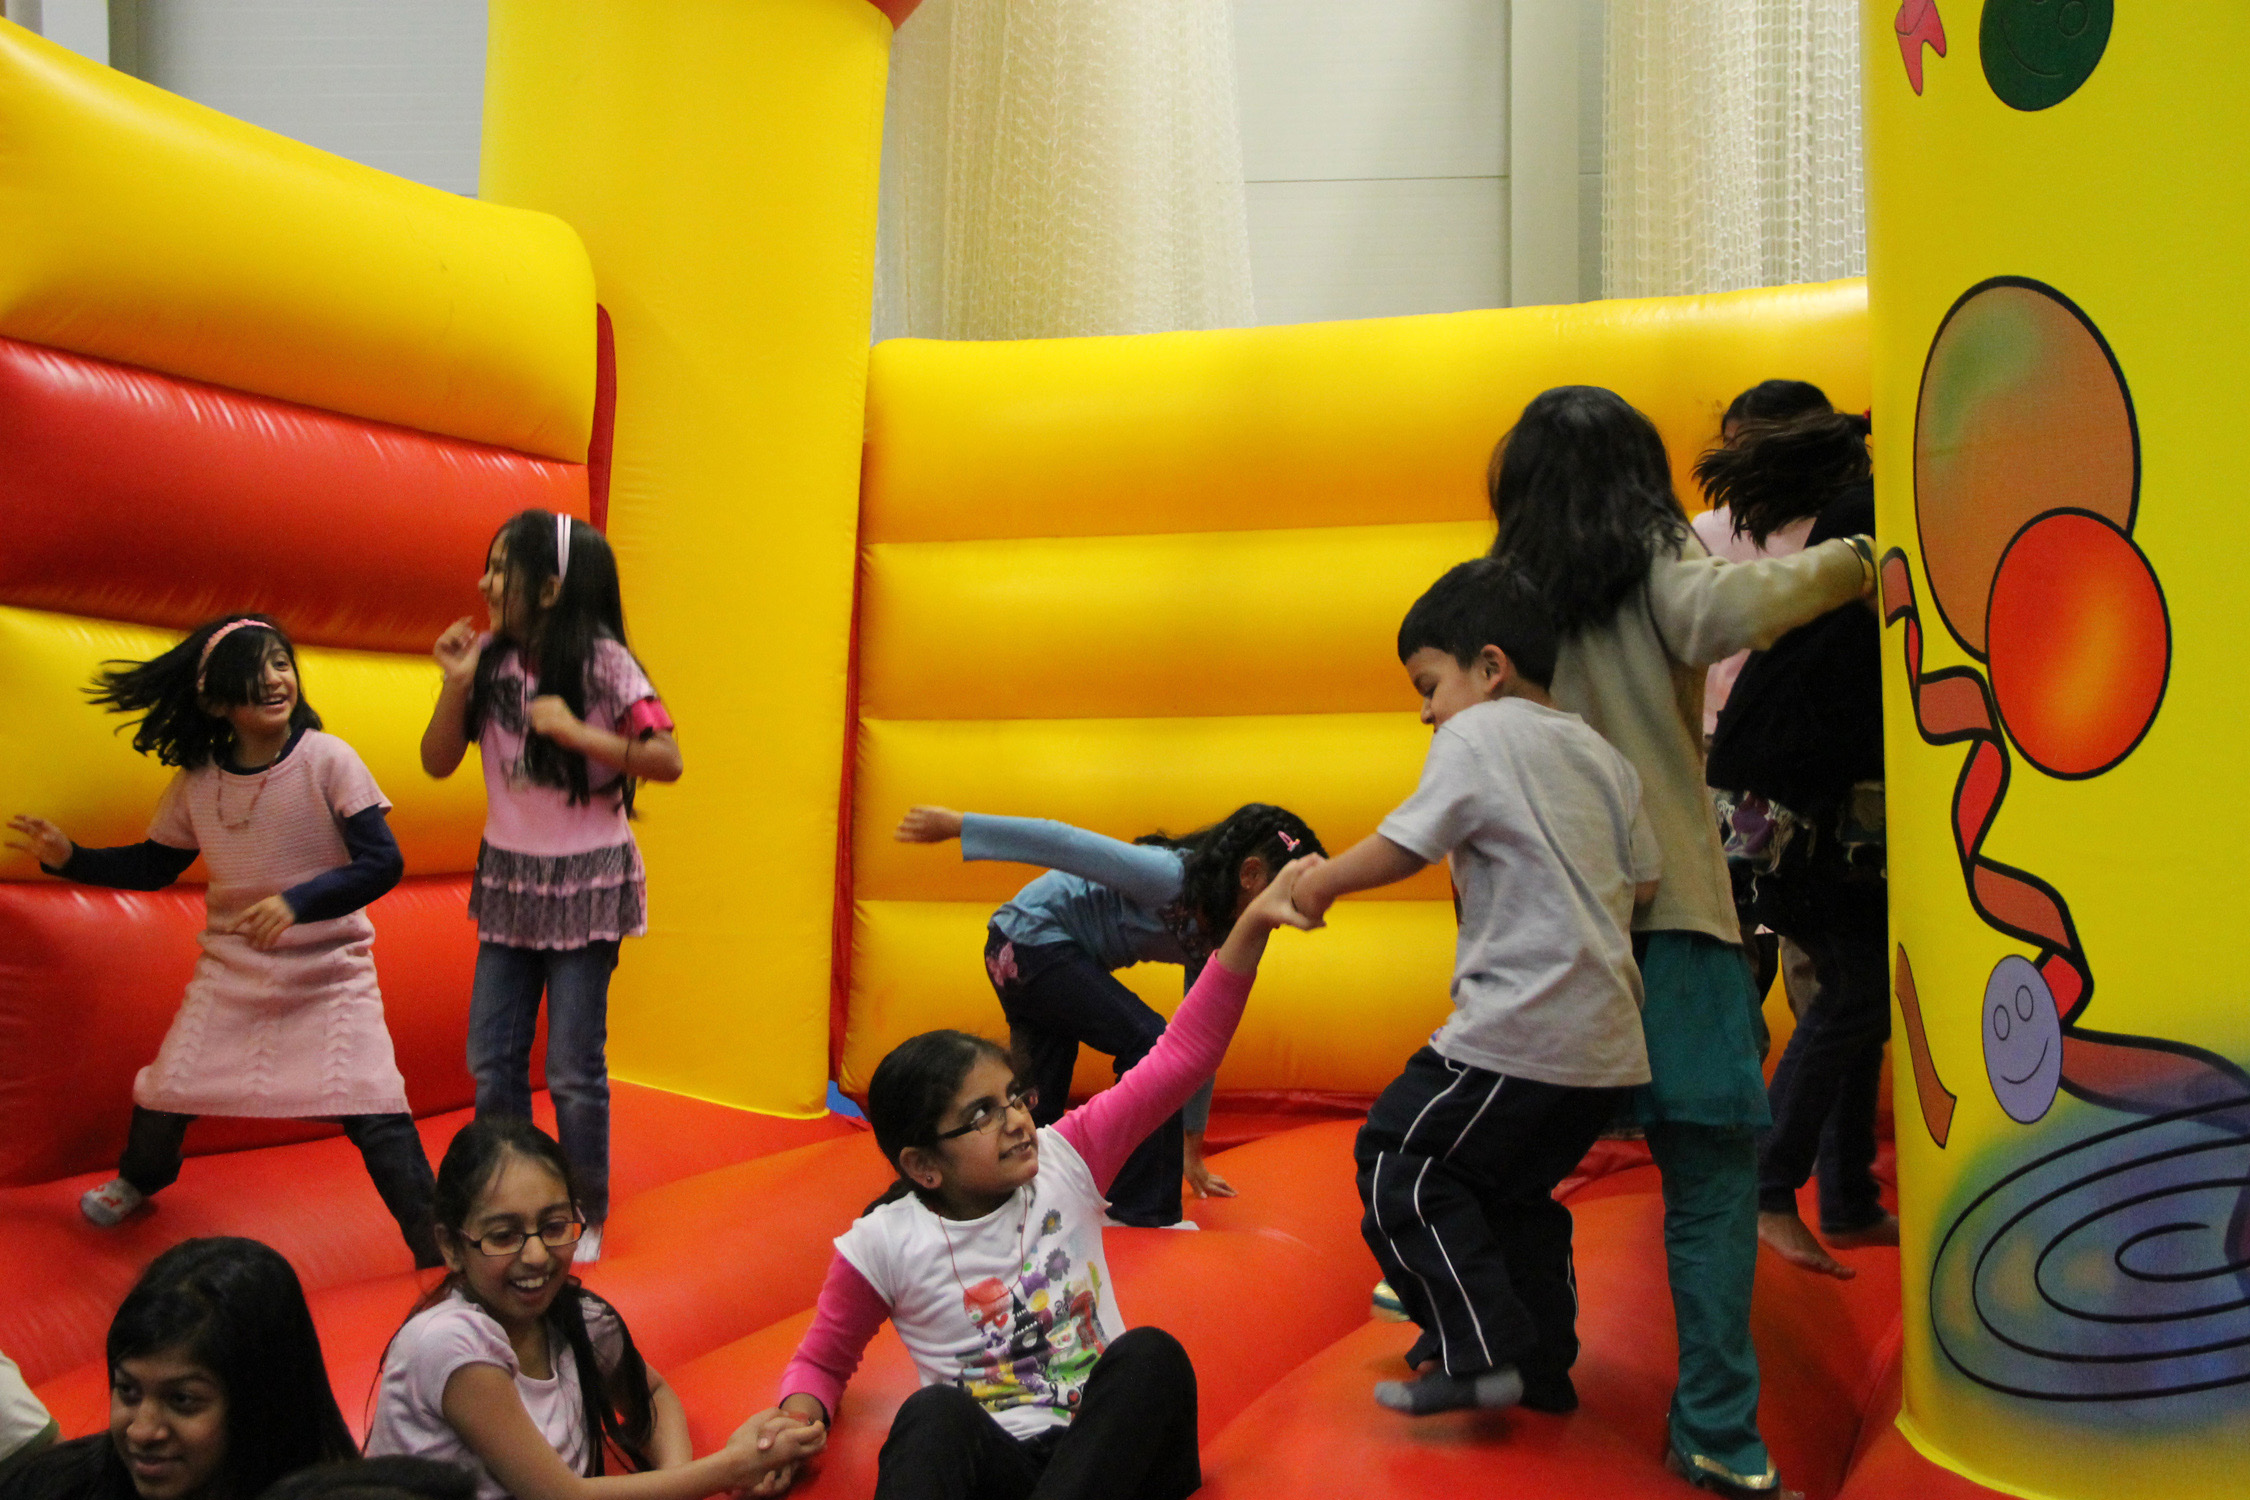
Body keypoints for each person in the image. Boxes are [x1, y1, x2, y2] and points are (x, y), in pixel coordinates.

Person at [1483, 386, 1875, 1499]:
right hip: (1673, 921)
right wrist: (1858, 562)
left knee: (1511, 1161)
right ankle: (1715, 1434)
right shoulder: (1651, 558)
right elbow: (1723, 613)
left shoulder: (1498, 596)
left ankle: (1517, 1347)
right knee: (1708, 1184)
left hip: (1548, 929)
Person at [765, 856, 1320, 1499]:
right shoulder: (883, 1243)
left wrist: (1249, 929)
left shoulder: (1065, 1160)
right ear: (923, 1165)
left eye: (1014, 1098)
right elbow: (821, 1361)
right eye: (982, 1115)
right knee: (931, 1415)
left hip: (1103, 1457)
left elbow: (1181, 1057)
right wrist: (797, 1422)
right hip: (1003, 1466)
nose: (1016, 1121)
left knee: (1150, 1357)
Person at [1289, 559, 1658, 1417]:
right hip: (1606, 1050)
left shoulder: (1479, 736)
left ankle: (1480, 1352)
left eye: (1429, 686)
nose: (1425, 712)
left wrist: (1320, 883)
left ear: (1490, 668)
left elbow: (1411, 840)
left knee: (1397, 1159)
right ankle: (1540, 1368)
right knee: (1509, 1195)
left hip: (1521, 1027)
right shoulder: (1606, 757)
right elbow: (1642, 885)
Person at [6, 616, 436, 1265]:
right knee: (167, 1090)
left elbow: (383, 863)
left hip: (329, 971)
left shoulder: (328, 759)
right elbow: (155, 865)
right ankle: (143, 1179)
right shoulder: (199, 781)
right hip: (234, 971)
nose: (275, 679)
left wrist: (296, 903)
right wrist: (73, 859)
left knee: (375, 1107)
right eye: (254, 671)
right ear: (214, 701)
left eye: (281, 663)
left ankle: (440, 1247)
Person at [420, 511, 683, 1264]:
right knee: (490, 1056)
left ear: (549, 588)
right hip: (512, 881)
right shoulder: (489, 658)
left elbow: (665, 758)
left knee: (571, 1066)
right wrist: (455, 687)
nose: (485, 582)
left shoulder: (603, 664)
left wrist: (575, 732)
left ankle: (582, 1207)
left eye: (502, 568)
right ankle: (503, 1196)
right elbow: (437, 761)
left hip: (587, 882)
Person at [893, 802, 1322, 1225]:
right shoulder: (1169, 876)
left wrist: (1193, 1152)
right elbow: (1062, 842)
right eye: (1289, 895)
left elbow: (1202, 1039)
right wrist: (959, 825)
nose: (1288, 914)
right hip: (1029, 940)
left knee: (1036, 1108)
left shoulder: (1229, 929)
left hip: (1024, 952)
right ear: (1250, 875)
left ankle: (950, 1204)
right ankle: (1141, 1210)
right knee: (1152, 1045)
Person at [364, 1117, 819, 1500]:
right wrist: (730, 1467)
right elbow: (560, 1496)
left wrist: (681, 1476)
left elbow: (653, 1397)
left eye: (554, 1226)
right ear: (451, 1246)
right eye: (503, 1236)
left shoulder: (577, 1319)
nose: (537, 1255)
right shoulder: (448, 1343)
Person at [1699, 409, 1895, 1278]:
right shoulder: (1871, 515)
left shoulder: (1851, 516)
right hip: (1785, 806)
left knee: (1858, 989)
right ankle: (1771, 1186)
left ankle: (1846, 1195)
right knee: (1854, 986)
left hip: (1780, 796)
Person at [0, 1237, 356, 1500]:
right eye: (128, 1391)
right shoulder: (52, 1487)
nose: (141, 1431)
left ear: (262, 1403)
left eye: (182, 1400)